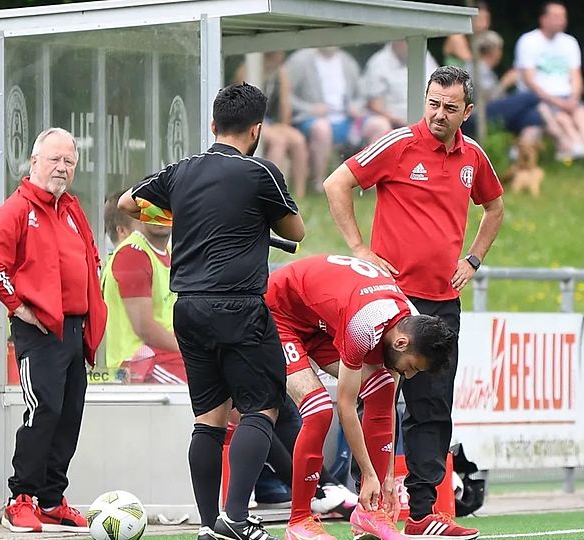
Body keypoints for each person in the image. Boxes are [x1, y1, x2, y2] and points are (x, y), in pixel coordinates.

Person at [324, 66, 504, 540]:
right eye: (433, 104)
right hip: (394, 301)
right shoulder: (399, 143)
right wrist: (360, 250)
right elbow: (336, 183)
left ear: (467, 111)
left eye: (450, 107)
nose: (439, 115)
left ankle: (424, 513)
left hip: (443, 305)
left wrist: (474, 259)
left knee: (434, 408)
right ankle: (370, 509)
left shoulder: (474, 157)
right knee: (379, 401)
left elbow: (495, 206)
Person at [119, 82, 304, 540]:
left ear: (213, 125)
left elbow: (127, 203)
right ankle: (235, 520)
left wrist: (176, 217)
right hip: (239, 306)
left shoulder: (181, 171)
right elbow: (295, 230)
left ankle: (209, 524)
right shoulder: (261, 174)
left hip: (189, 309)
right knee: (261, 411)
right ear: (257, 129)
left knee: (208, 420)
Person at [0, 127, 107, 533]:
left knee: (68, 414)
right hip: (40, 331)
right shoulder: (17, 209)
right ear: (34, 163)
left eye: (69, 161)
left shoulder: (71, 209)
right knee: (42, 410)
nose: (61, 168)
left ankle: (51, 498)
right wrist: (19, 305)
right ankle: (21, 499)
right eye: (54, 159)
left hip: (73, 329)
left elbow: (91, 255)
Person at [266, 254, 456, 540]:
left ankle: (370, 512)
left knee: (381, 388)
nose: (411, 376)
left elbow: (387, 404)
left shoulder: (407, 320)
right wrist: (368, 473)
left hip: (318, 319)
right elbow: (346, 407)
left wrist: (388, 476)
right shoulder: (364, 326)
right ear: (402, 343)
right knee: (319, 409)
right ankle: (300, 520)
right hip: (279, 314)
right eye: (414, 367)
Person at [102, 191, 183, 384]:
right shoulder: (132, 255)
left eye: (166, 207)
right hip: (137, 363)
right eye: (152, 207)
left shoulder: (172, 253)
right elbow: (144, 328)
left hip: (167, 355)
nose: (160, 213)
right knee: (211, 395)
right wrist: (191, 348)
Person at [285, 47, 392, 190]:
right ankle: (319, 183)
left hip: (348, 121)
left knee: (381, 125)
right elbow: (284, 95)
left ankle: (373, 182)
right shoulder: (300, 60)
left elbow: (361, 96)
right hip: (312, 119)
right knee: (322, 128)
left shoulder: (347, 61)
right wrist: (310, 109)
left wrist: (355, 106)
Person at [515, 1, 584, 161]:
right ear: (543, 19)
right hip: (538, 98)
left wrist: (574, 99)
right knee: (562, 118)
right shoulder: (528, 41)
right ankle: (578, 150)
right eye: (556, 16)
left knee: (583, 114)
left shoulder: (570, 42)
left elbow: (576, 76)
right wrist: (559, 103)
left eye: (563, 16)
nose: (562, 20)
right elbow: (530, 81)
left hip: (567, 96)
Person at [235, 51, 310, 198]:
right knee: (279, 142)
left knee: (298, 140)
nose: (281, 55)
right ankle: (270, 190)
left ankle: (300, 193)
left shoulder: (280, 71)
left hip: (271, 122)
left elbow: (285, 102)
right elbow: (243, 104)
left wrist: (284, 125)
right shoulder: (247, 69)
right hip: (250, 120)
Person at [363, 40, 440, 129]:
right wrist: (398, 122)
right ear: (397, 40)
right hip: (395, 125)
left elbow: (439, 84)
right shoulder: (378, 63)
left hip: (427, 120)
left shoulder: (424, 54)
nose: (411, 45)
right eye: (407, 41)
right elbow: (374, 104)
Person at [442, 1, 491, 67]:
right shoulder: (456, 37)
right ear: (470, 19)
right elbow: (471, 62)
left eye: (486, 19)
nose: (484, 24)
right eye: (480, 19)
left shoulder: (480, 38)